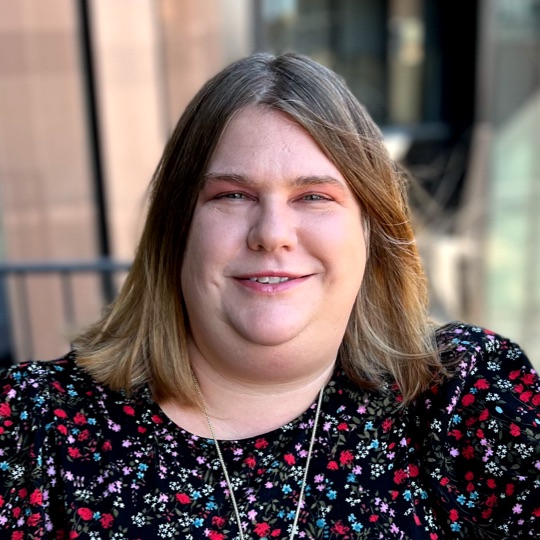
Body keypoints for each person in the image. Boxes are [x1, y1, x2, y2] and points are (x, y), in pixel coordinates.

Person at [0, 52, 539, 540]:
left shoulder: (466, 396)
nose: (272, 232)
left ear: (370, 230)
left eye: (313, 196)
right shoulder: (31, 427)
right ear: (176, 228)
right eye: (232, 195)